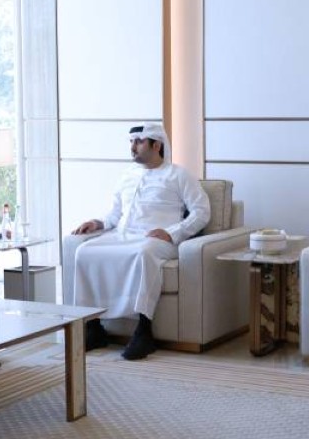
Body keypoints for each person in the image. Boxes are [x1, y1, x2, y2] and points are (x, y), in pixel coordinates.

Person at [71, 123, 210, 361]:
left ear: (156, 145)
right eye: (131, 142)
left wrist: (173, 232)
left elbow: (202, 211)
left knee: (144, 254)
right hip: (123, 235)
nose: (133, 147)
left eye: (139, 142)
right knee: (84, 251)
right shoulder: (127, 175)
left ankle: (144, 331)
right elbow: (114, 214)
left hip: (159, 239)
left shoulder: (179, 175)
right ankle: (94, 327)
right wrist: (97, 222)